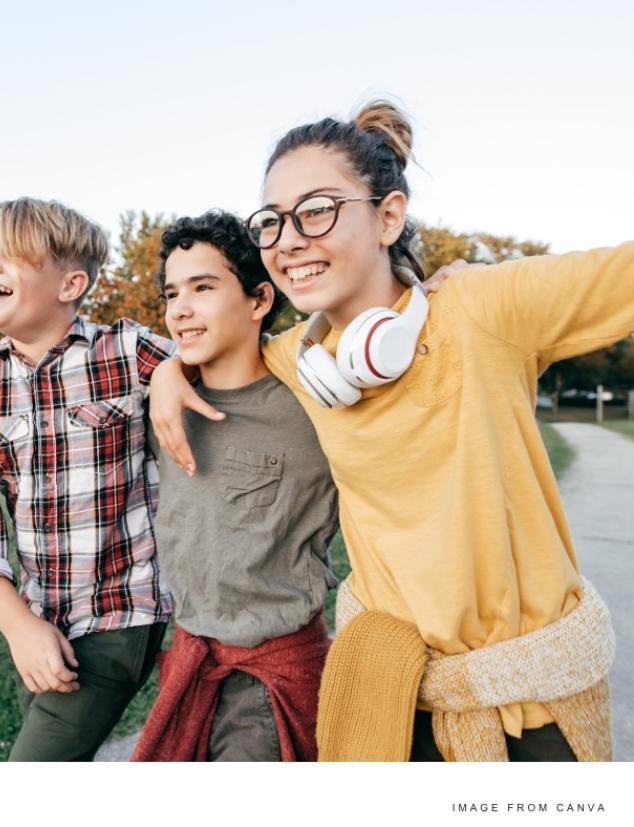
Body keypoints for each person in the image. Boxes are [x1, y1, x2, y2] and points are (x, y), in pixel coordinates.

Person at [150, 101, 632, 761]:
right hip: (389, 695)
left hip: (529, 701)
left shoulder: (484, 307)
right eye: (272, 221)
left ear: (389, 217)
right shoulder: (299, 360)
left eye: (317, 210)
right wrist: (169, 371)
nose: (287, 240)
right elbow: (213, 340)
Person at [0, 197, 172, 761]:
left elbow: (222, 358)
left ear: (70, 284)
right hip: (37, 618)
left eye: (12, 255)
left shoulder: (126, 350)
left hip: (122, 611)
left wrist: (174, 375)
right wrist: (19, 628)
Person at [130, 211, 337, 762]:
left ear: (259, 299)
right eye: (172, 293)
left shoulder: (312, 405)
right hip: (193, 661)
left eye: (203, 287)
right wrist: (166, 373)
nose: (180, 309)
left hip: (270, 678)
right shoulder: (163, 408)